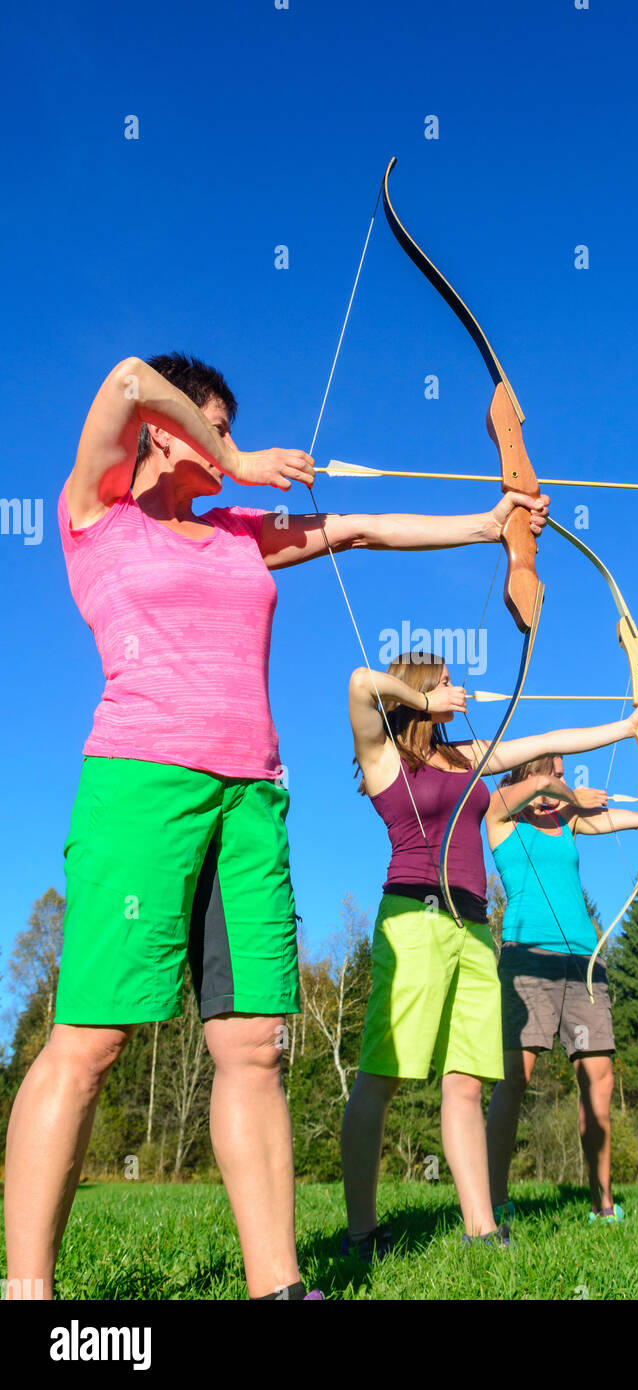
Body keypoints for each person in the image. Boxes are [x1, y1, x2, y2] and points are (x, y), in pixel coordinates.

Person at [3, 351, 547, 1302]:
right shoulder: (98, 513)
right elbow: (130, 378)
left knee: (253, 1045)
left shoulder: (236, 536)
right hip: (142, 785)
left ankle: (277, 1285)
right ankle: (29, 1292)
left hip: (253, 795)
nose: (222, 444)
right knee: (91, 1039)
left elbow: (367, 527)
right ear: (169, 434)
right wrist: (241, 453)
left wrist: (491, 524)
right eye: (209, 424)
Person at [340, 655, 638, 1255]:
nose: (455, 691)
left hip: (473, 925)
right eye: (442, 684)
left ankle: (481, 1229)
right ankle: (361, 1233)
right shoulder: (384, 755)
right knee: (382, 1077)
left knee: (465, 1081)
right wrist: (424, 702)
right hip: (414, 919)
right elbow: (361, 682)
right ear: (420, 693)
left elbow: (548, 740)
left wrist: (630, 726)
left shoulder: (468, 755)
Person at [484, 754, 638, 1223]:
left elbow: (636, 819)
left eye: (564, 772)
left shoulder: (568, 822)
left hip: (584, 962)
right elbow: (525, 790)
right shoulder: (498, 814)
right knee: (514, 1078)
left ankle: (603, 1205)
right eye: (555, 771)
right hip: (527, 962)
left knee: (598, 1080)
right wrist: (566, 792)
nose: (563, 778)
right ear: (530, 772)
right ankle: (494, 1202)